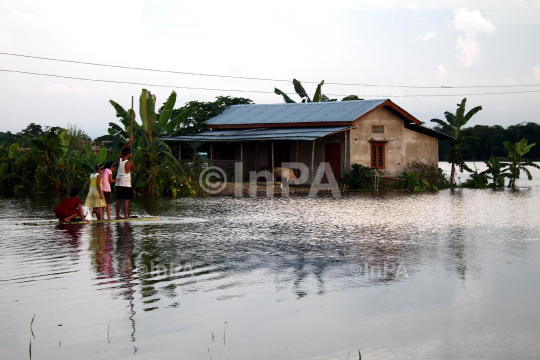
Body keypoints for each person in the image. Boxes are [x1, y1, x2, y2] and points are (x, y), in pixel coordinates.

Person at [116, 137, 134, 219]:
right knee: (127, 199)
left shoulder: (119, 160)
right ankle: (126, 215)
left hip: (118, 182)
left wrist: (128, 142)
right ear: (128, 154)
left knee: (119, 199)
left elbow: (121, 151)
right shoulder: (130, 162)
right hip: (126, 183)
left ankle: (117, 215)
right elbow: (133, 170)